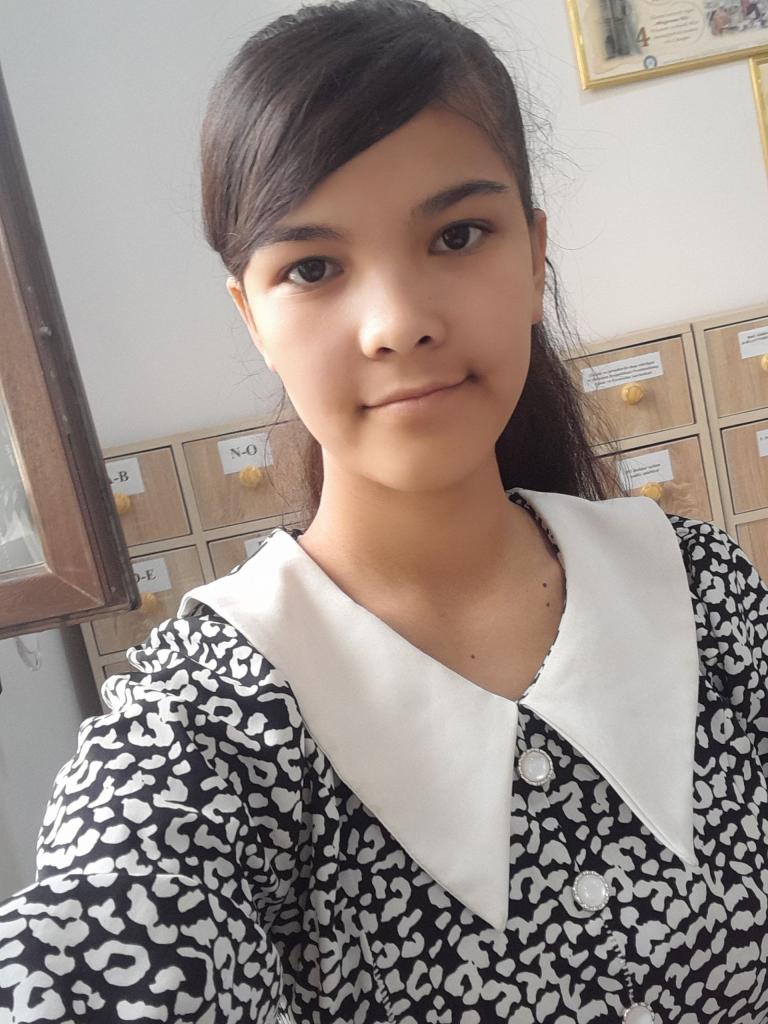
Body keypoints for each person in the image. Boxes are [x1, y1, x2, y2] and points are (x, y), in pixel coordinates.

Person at [1, 1, 767, 1021]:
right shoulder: (212, 723)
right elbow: (94, 942)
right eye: (313, 268)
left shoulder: (700, 587)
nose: (398, 321)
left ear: (535, 256)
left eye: (458, 234)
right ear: (253, 316)